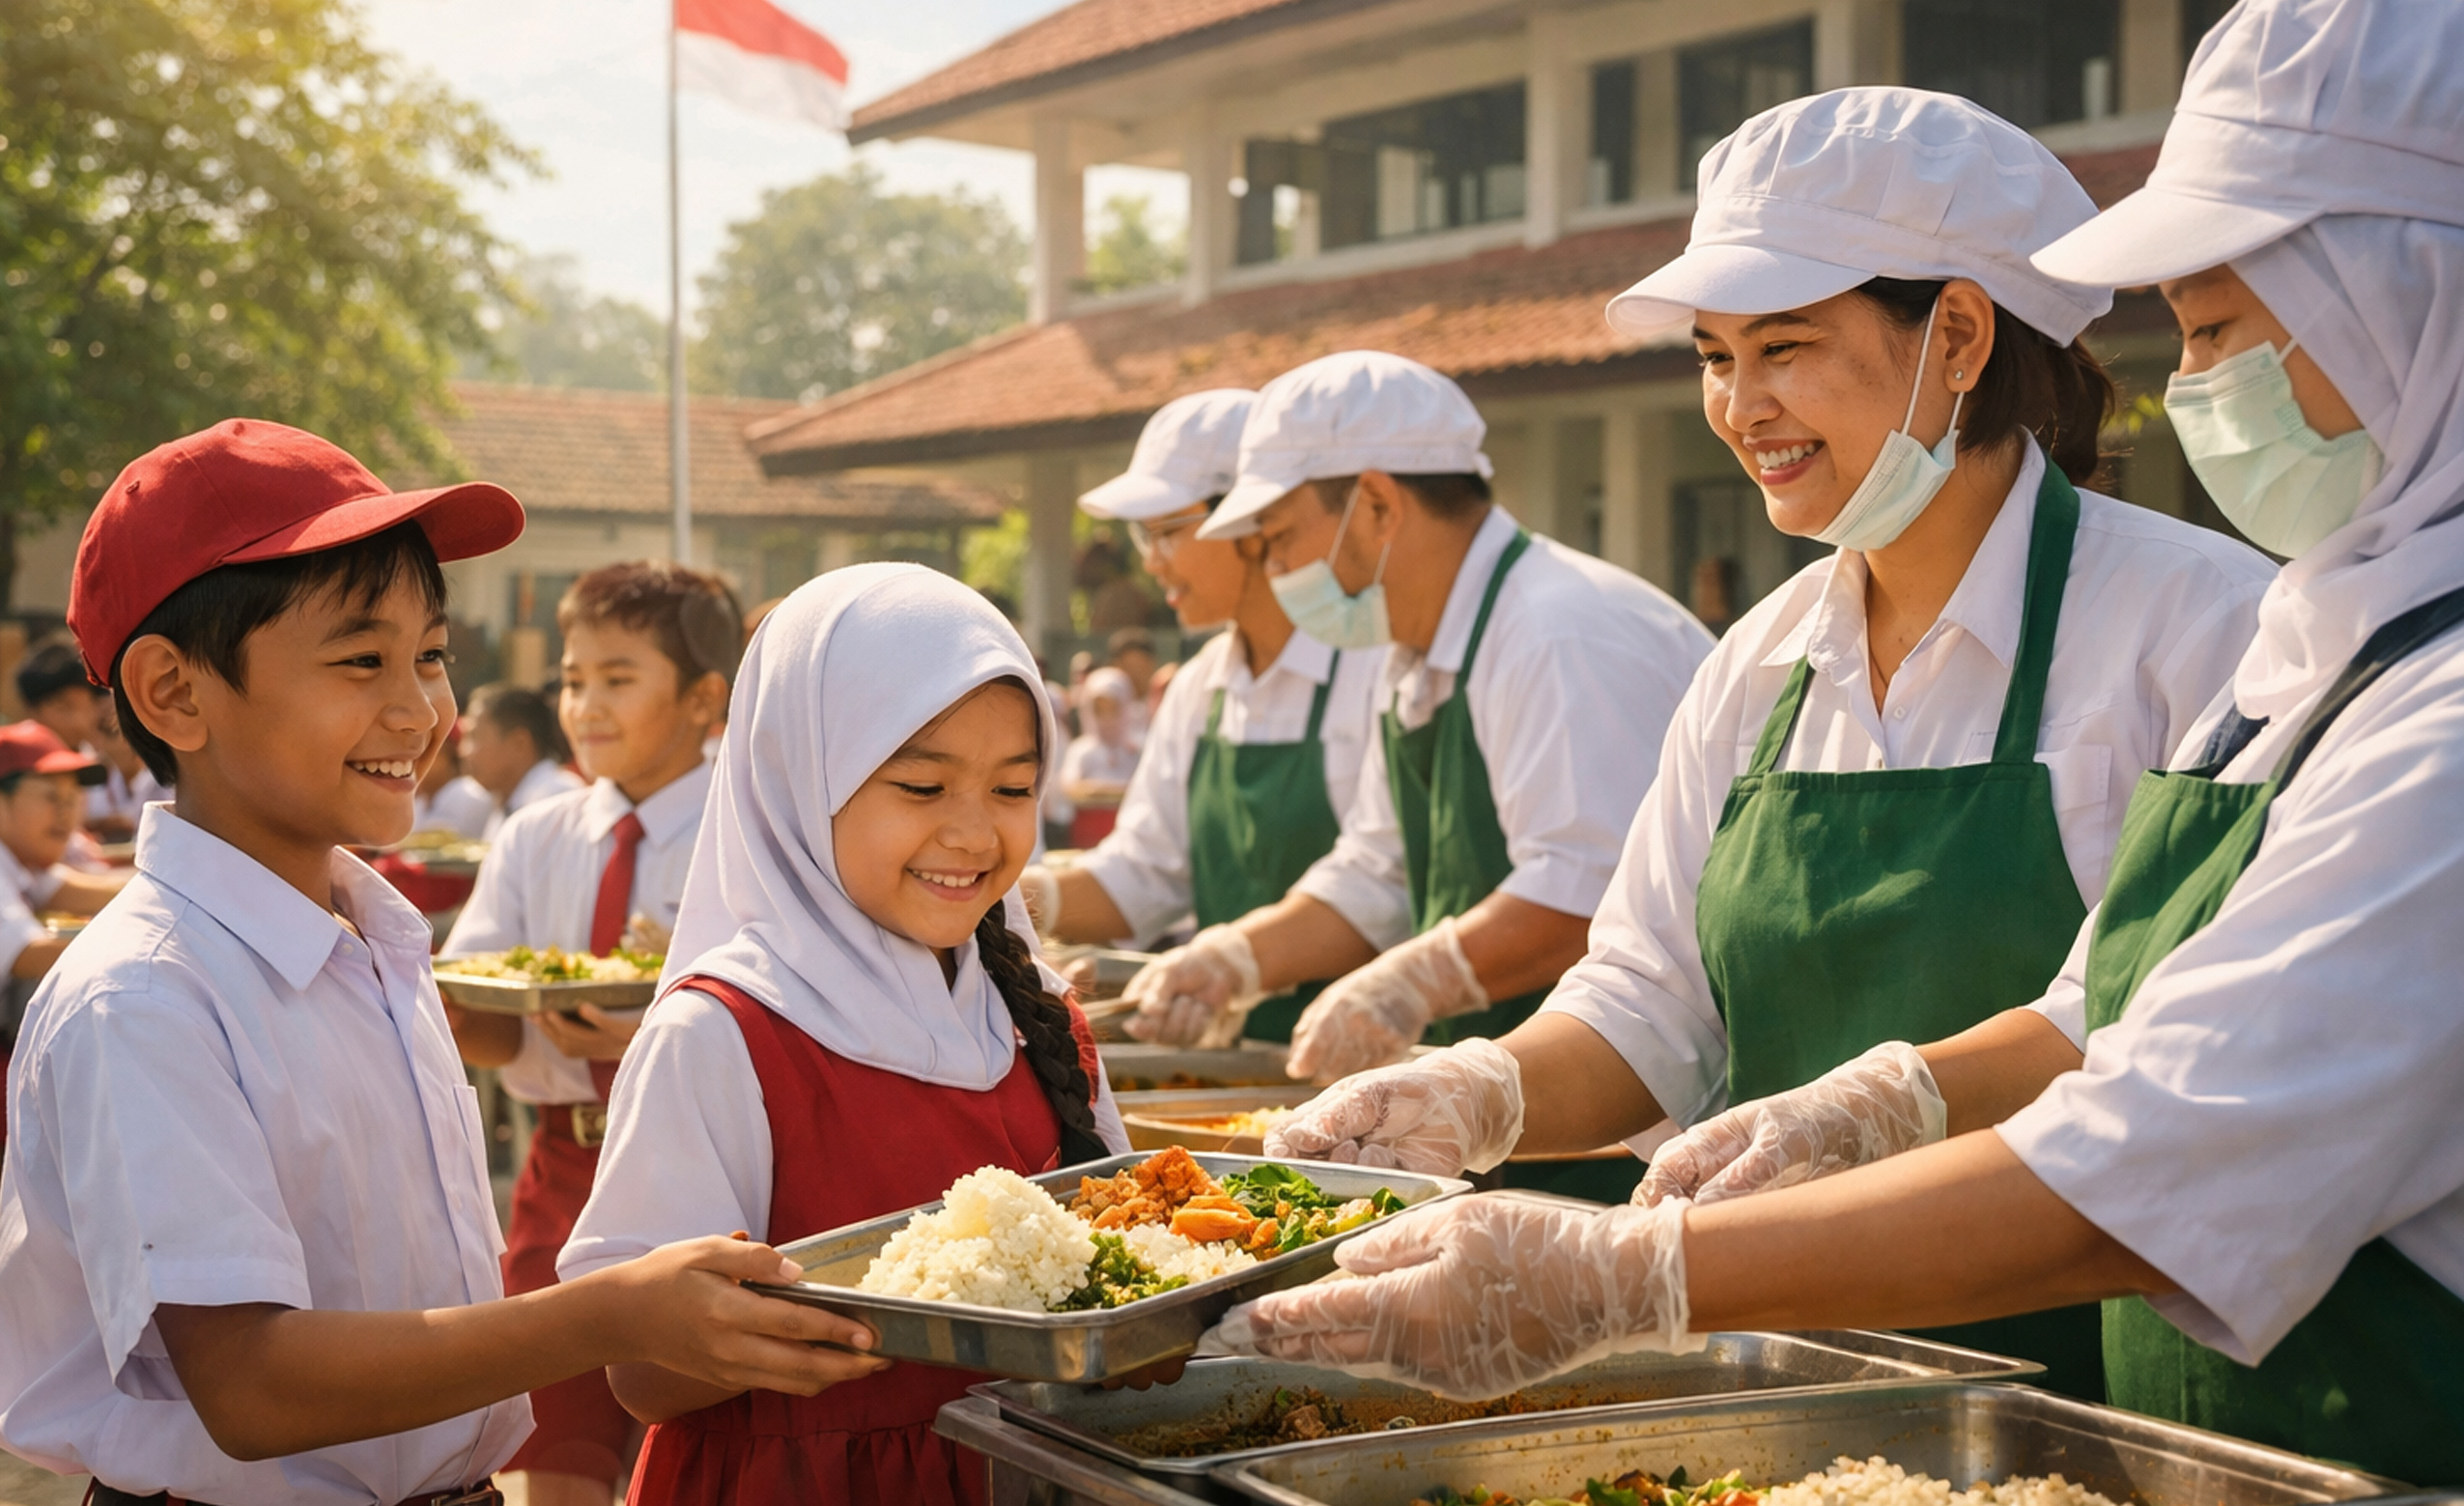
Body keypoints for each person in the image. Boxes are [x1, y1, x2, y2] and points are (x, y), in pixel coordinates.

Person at [1211, 0, 2464, 1482]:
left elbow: (2155, 1140)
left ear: (1952, 335)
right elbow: (2040, 1008)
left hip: (2178, 1395)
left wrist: (1645, 1268)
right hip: (1824, 1387)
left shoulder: (2206, 622)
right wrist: (1483, 1085)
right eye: (1713, 355)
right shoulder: (1775, 656)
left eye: (1784, 347)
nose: (1739, 407)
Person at [0, 419, 882, 1503]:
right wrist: (609, 1312)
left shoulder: (369, 939)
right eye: (361, 658)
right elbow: (252, 1384)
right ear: (175, 693)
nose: (422, 711)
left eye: (430, 656)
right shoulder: (144, 996)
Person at [560, 563, 1129, 1504]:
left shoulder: (1038, 1017)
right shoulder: (723, 1035)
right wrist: (781, 1327)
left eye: (1012, 787)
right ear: (797, 779)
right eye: (920, 784)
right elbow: (639, 1372)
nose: (974, 832)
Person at [1128, 354, 1713, 1179]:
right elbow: (1377, 870)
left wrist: (1410, 980)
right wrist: (1236, 959)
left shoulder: (1556, 632)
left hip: (1613, 1124)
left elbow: (1584, 894)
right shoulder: (1414, 653)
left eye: (1285, 538)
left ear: (1373, 505)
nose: (1279, 567)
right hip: (1502, 1108)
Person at [439, 561, 741, 1506]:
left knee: (700, 1456)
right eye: (573, 680)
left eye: (618, 678)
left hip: (719, 1181)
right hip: (565, 1169)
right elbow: (487, 1015)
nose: (585, 705)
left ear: (704, 697)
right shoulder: (538, 832)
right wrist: (459, 1010)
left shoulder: (748, 832)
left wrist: (654, 1027)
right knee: (551, 1460)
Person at [1019, 391, 1388, 1043]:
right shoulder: (1198, 688)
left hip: (1371, 1051)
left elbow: (1387, 882)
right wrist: (1021, 898)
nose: (1150, 561)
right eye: (1142, 536)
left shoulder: (1371, 670)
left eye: (1165, 532)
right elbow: (1147, 872)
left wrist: (1234, 958)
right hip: (1238, 1057)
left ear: (1250, 520)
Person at [0, 723, 120, 1155]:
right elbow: (31, 954)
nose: (67, 813)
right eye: (51, 798)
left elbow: (97, 889)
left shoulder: (23, 859)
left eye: (72, 799)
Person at [462, 682, 581, 837]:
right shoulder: (506, 801)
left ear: (519, 743)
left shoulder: (557, 799)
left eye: (474, 737)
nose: (464, 752)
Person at [1058, 666, 1143, 849]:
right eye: (1099, 709)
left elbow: (1149, 790)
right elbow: (1070, 788)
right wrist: (1123, 791)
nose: (1107, 717)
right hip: (1087, 839)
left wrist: (1096, 790)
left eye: (1113, 709)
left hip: (1128, 840)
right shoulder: (1081, 750)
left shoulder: (1137, 750)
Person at [15, 638, 107, 760]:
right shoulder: (14, 766)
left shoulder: (106, 766)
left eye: (87, 708)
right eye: (64, 709)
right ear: (32, 711)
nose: (79, 723)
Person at [84, 703, 161, 843]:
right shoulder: (96, 775)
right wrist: (102, 824)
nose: (122, 744)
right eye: (111, 734)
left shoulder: (163, 779)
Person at [412, 731, 497, 839]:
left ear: (446, 753)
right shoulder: (419, 803)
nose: (414, 760)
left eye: (424, 752)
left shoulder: (471, 796)